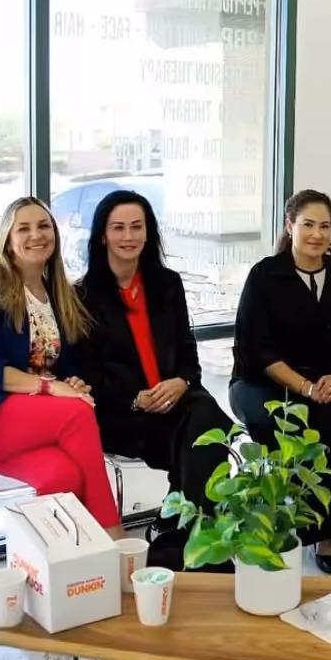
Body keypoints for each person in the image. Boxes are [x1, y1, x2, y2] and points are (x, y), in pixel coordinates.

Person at [229, 189, 331, 576]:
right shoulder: (265, 275)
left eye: (325, 225)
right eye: (308, 224)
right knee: (286, 422)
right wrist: (308, 390)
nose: (317, 234)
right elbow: (258, 350)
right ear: (290, 226)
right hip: (264, 382)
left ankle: (326, 530)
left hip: (330, 381)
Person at [0, 197, 120, 529]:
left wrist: (72, 383)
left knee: (63, 476)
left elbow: (68, 364)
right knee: (77, 412)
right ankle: (111, 532)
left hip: (30, 422)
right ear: (8, 239)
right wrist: (50, 387)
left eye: (43, 225)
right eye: (24, 228)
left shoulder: (59, 295)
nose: (36, 235)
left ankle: (58, 570)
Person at [78, 190, 234, 534]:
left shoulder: (167, 284)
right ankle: (182, 539)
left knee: (202, 422)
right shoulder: (82, 296)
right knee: (208, 434)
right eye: (118, 228)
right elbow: (86, 375)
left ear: (149, 233)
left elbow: (188, 354)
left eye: (137, 226)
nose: (129, 236)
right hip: (123, 415)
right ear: (102, 235)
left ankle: (176, 535)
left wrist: (181, 382)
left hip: (177, 402)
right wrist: (135, 398)